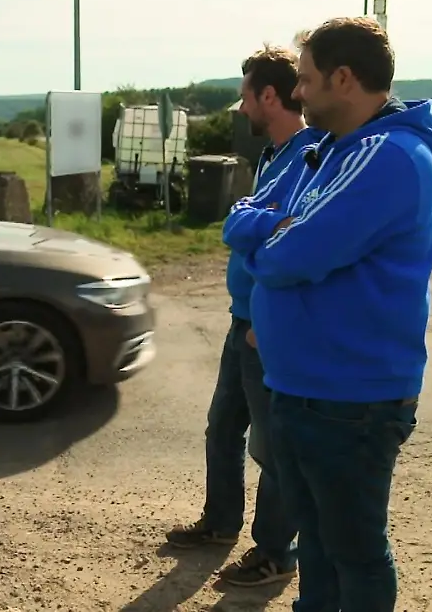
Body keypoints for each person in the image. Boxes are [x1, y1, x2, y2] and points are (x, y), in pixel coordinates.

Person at [222, 17, 432, 611]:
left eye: (307, 79)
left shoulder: (388, 156)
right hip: (302, 389)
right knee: (318, 546)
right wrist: (274, 224)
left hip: (351, 401)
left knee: (354, 554)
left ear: (343, 79)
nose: (297, 93)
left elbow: (290, 258)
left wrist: (275, 235)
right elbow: (241, 216)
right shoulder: (323, 151)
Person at [165, 45, 323, 587]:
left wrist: (251, 223)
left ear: (270, 96)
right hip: (243, 318)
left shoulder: (309, 157)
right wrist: (253, 220)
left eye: (245, 96)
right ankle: (220, 522)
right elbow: (252, 223)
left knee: (274, 447)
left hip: (265, 325)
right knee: (223, 427)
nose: (240, 107)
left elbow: (285, 234)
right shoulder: (273, 155)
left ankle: (277, 552)